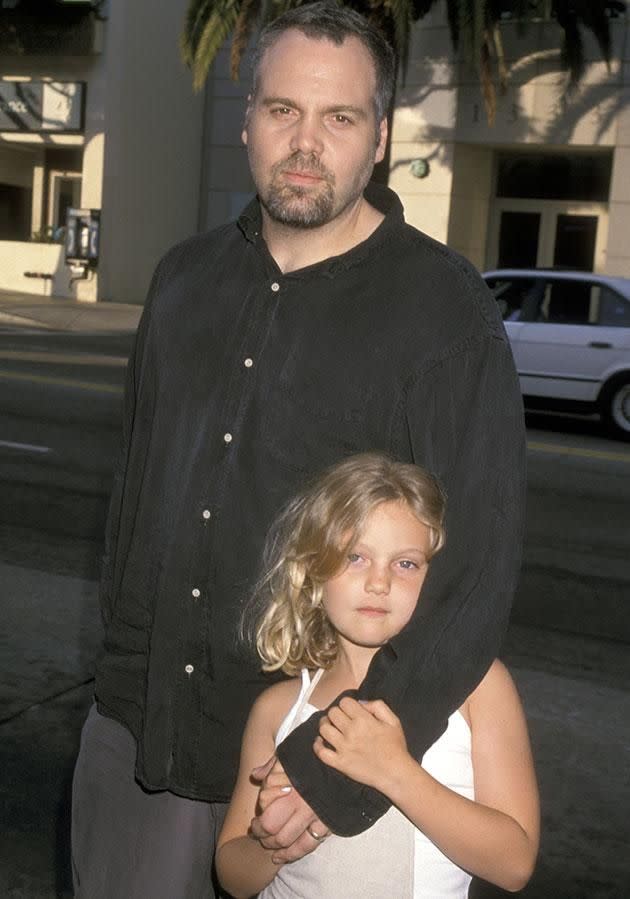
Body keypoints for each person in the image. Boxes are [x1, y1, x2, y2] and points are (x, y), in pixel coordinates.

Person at [71, 3, 527, 898]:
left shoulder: (445, 311)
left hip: (313, 769)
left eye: (340, 117)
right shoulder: (182, 281)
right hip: (142, 738)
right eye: (283, 110)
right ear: (247, 121)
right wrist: (117, 692)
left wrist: (332, 771)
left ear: (380, 137)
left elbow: (472, 571)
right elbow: (135, 501)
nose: (306, 142)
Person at [216, 453, 539, 898]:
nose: (379, 582)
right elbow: (232, 875)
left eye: (406, 563)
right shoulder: (277, 709)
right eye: (355, 557)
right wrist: (277, 835)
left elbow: (515, 862)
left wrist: (392, 770)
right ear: (313, 569)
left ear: (436, 579)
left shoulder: (476, 687)